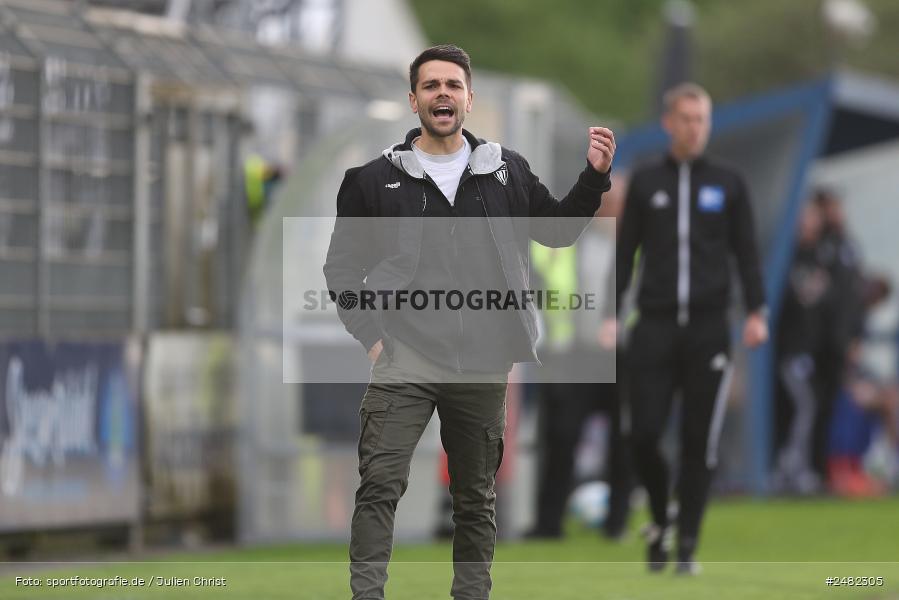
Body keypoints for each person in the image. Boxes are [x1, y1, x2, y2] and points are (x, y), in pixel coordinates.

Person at [323, 44, 615, 600]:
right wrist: (371, 337)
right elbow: (342, 269)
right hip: (403, 356)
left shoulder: (506, 171)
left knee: (475, 498)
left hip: (483, 361)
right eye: (431, 86)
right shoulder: (371, 179)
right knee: (380, 485)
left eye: (452, 85)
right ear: (413, 100)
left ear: (469, 98)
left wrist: (594, 177)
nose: (442, 95)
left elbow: (555, 230)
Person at [608, 82, 768, 574]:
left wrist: (757, 311)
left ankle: (687, 547)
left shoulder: (729, 182)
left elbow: (745, 251)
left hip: (707, 328)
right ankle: (660, 518)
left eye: (702, 119)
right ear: (669, 123)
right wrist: (612, 314)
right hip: (654, 326)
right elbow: (625, 252)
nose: (694, 128)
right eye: (686, 118)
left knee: (701, 440)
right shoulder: (647, 181)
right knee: (644, 434)